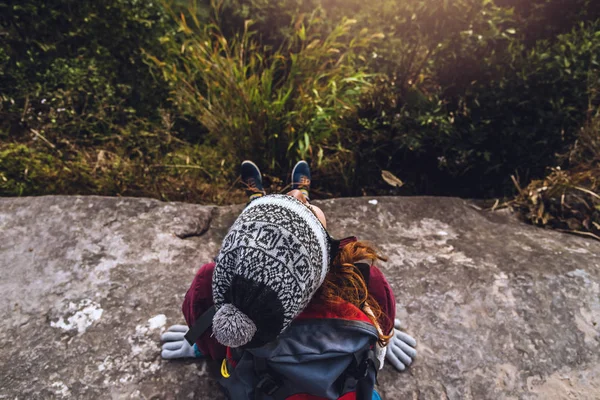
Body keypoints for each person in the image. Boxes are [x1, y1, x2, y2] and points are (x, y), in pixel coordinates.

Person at [161, 160, 417, 399]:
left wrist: (204, 344)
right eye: (304, 207)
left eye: (298, 199)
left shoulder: (212, 283)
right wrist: (381, 337)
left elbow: (206, 319)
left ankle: (258, 203)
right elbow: (382, 315)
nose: (293, 195)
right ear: (325, 255)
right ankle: (261, 204)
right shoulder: (362, 282)